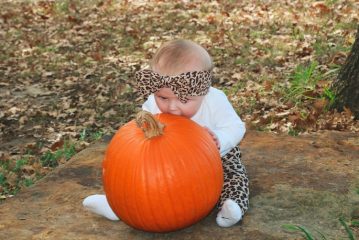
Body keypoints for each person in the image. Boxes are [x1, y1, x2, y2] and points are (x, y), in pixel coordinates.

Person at [83, 39, 249, 228]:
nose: (172, 107)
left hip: (214, 156)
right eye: (163, 98)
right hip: (167, 162)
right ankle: (119, 205)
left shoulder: (215, 100)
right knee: (137, 177)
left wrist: (220, 139)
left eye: (183, 100)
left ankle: (233, 204)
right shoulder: (153, 104)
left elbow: (236, 127)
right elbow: (142, 126)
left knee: (235, 173)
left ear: (203, 91)